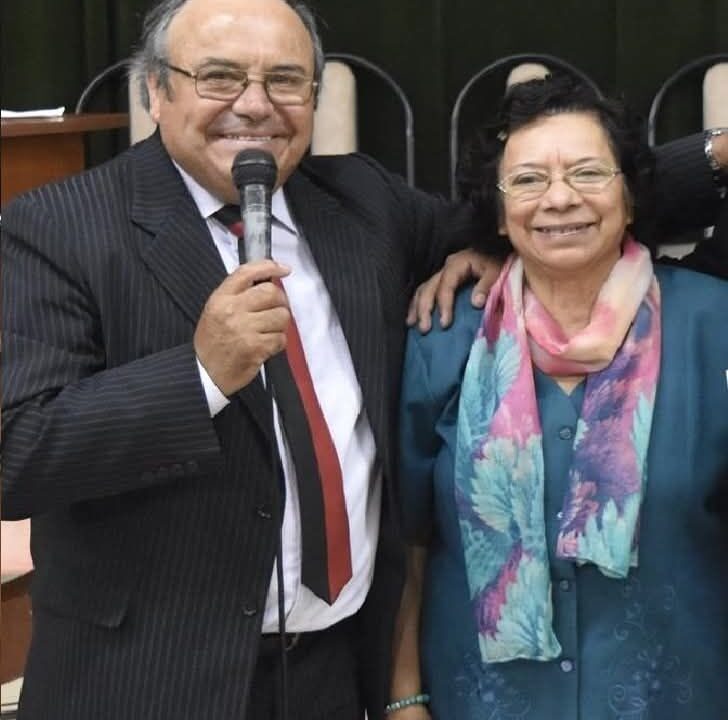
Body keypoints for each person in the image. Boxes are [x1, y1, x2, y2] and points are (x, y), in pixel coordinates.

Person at [1, 0, 725, 716]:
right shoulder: (59, 228)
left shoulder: (358, 201)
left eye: (286, 80)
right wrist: (200, 377)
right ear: (157, 90)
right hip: (150, 681)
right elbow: (15, 453)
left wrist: (714, 154)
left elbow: (550, 207)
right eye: (220, 77)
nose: (255, 104)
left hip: (334, 673)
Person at [392, 75, 728, 720]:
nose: (560, 198)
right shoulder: (444, 336)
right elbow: (409, 539)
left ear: (630, 198)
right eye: (527, 180)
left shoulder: (714, 326)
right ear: (498, 214)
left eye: (588, 173)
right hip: (484, 703)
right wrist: (403, 696)